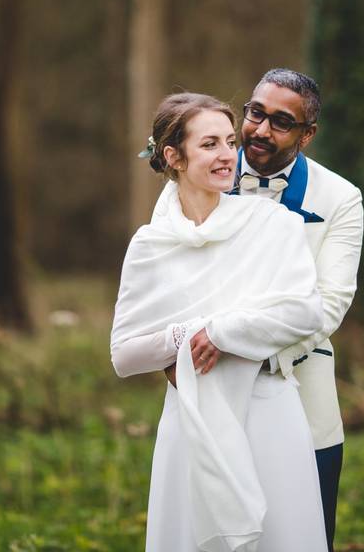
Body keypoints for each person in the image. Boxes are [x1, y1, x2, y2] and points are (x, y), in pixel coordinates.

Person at [111, 92, 328, 552]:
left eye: (230, 142)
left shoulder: (274, 225)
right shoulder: (151, 245)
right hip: (191, 420)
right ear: (174, 156)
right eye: (210, 144)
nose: (229, 154)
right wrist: (187, 336)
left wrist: (221, 332)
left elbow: (304, 312)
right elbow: (125, 355)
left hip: (269, 411)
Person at [213, 68, 363, 552]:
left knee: (303, 537)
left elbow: (329, 305)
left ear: (307, 135)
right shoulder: (199, 177)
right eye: (255, 113)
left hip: (302, 397)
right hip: (209, 393)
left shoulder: (341, 199)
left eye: (281, 122)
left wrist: (244, 351)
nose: (260, 129)